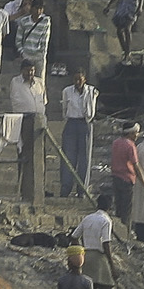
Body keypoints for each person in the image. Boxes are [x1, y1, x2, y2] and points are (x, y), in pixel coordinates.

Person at [73, 192, 118, 289]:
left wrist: (80, 250)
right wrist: (112, 265)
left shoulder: (87, 218)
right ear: (110, 207)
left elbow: (74, 236)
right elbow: (106, 243)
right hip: (99, 258)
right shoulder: (106, 220)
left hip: (86, 256)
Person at [60, 69, 97, 198]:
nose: (77, 82)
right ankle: (65, 189)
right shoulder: (67, 91)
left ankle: (82, 190)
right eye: (75, 79)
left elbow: (91, 111)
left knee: (84, 159)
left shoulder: (91, 91)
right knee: (68, 157)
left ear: (84, 80)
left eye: (79, 80)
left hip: (84, 123)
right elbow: (64, 109)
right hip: (71, 123)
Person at [108, 123, 139, 222]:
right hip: (127, 179)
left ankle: (118, 226)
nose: (137, 135)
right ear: (131, 133)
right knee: (126, 209)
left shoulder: (116, 143)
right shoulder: (130, 146)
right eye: (136, 133)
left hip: (116, 177)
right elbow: (135, 165)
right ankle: (125, 229)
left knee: (119, 206)